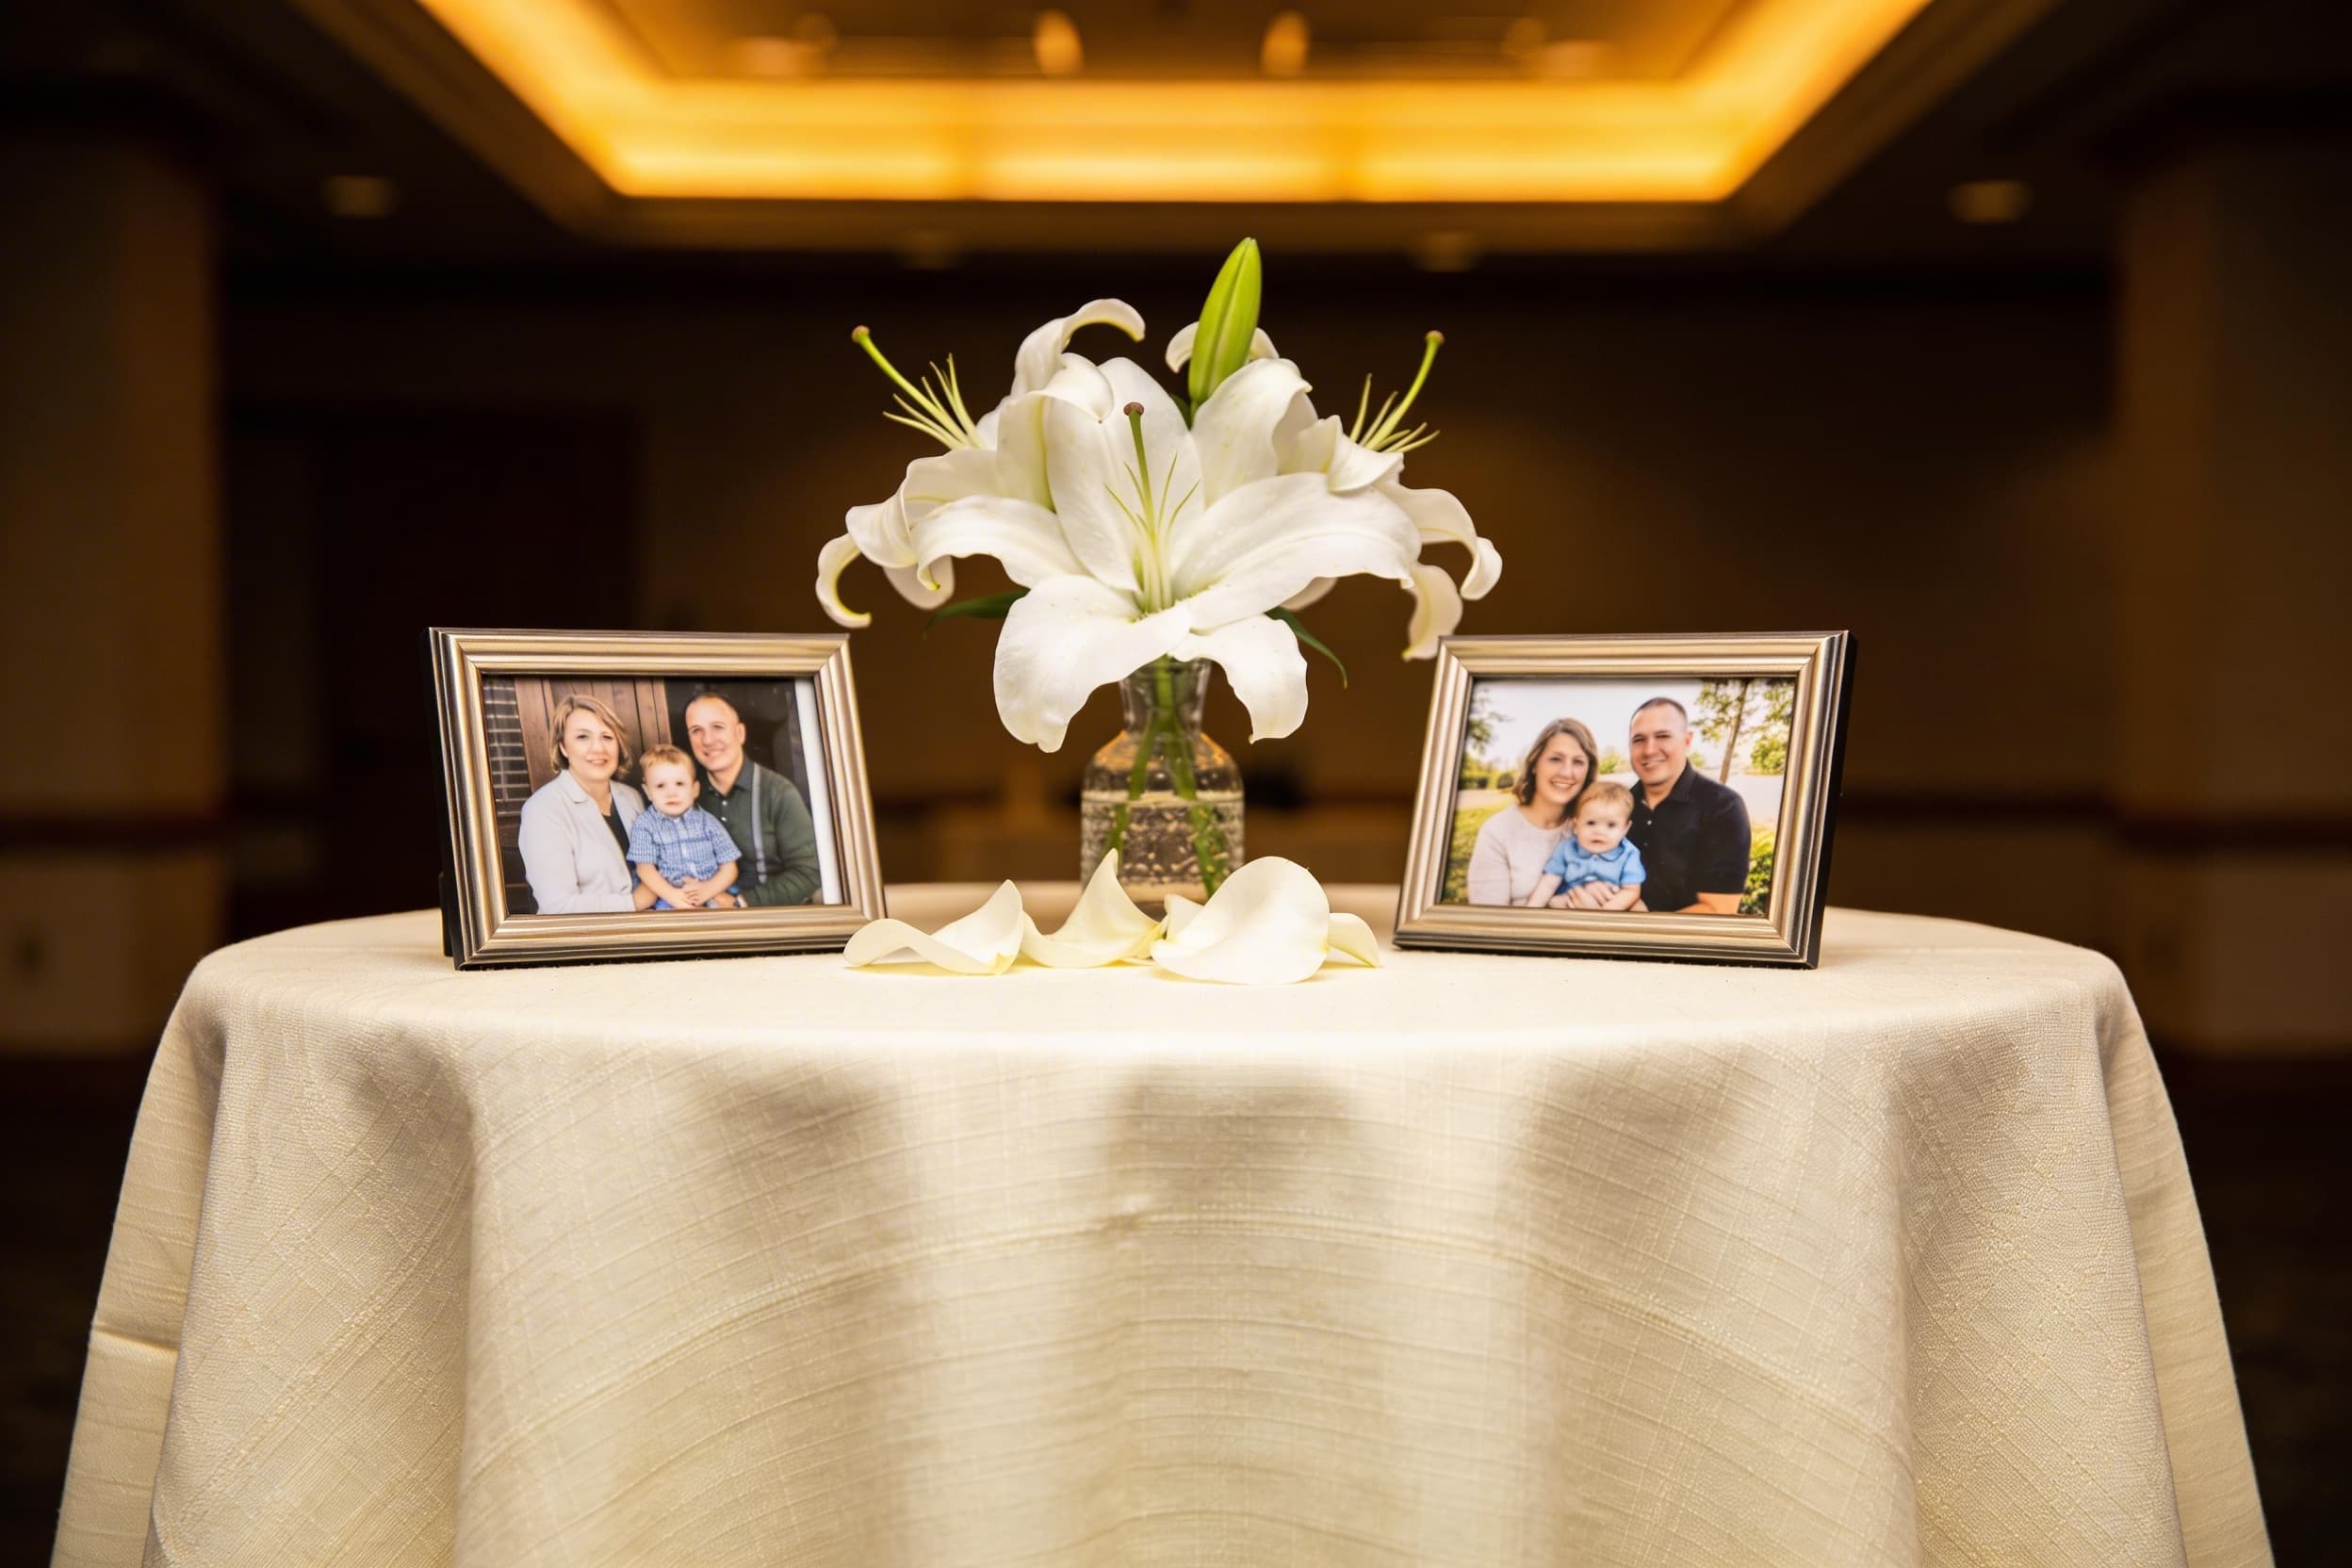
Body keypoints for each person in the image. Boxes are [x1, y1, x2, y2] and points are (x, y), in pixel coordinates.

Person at [1561, 695, 1749, 915]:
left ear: (1687, 740)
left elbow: (1719, 909)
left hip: (1678, 948)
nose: (1649, 750)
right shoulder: (1618, 807)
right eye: (1639, 739)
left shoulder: (1722, 807)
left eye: (1662, 736)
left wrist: (1628, 931)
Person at [681, 691, 823, 907]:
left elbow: (809, 873)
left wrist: (740, 903)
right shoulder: (686, 795)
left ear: (739, 733)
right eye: (696, 731)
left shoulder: (778, 793)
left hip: (772, 919)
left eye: (718, 727)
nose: (707, 740)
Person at [515, 693, 649, 914]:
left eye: (607, 737)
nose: (598, 748)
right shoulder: (542, 810)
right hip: (591, 942)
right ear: (563, 748)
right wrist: (634, 902)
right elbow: (557, 907)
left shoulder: (632, 797)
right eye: (582, 737)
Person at [1463, 717, 1598, 906]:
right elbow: (1489, 926)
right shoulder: (1497, 832)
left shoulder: (1593, 826)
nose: (1567, 772)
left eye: (1578, 762)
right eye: (1555, 759)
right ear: (1535, 764)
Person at [627, 745, 743, 910]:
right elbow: (645, 870)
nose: (671, 793)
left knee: (730, 918)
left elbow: (730, 867)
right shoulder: (645, 825)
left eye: (680, 784)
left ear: (695, 790)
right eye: (660, 786)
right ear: (648, 792)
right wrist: (673, 896)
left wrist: (707, 891)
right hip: (669, 897)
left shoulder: (708, 822)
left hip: (713, 891)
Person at [1525, 781, 1645, 911]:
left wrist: (1604, 913)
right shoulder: (1567, 848)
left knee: (1638, 906)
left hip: (1613, 901)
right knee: (1555, 902)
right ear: (1576, 826)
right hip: (1573, 898)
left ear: (1625, 829)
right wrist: (1531, 911)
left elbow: (1631, 890)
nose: (1599, 831)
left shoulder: (1628, 853)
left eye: (1611, 825)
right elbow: (1549, 882)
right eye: (1591, 823)